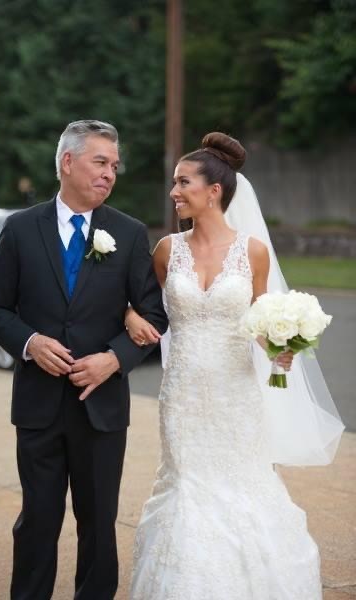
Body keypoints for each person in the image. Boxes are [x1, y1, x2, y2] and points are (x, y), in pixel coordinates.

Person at [125, 132, 343, 599]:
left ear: (214, 190)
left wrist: (281, 347)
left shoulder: (253, 252)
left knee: (241, 483)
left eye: (183, 182)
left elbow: (260, 322)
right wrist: (128, 314)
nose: (174, 191)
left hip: (235, 392)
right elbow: (148, 306)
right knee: (187, 485)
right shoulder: (166, 249)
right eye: (174, 182)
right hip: (182, 395)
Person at [0, 119, 168, 600]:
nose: (110, 174)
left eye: (115, 166)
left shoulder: (127, 232)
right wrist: (30, 342)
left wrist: (113, 359)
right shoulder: (20, 229)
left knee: (99, 526)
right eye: (100, 162)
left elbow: (153, 315)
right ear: (67, 162)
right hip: (38, 406)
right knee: (37, 522)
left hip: (101, 406)